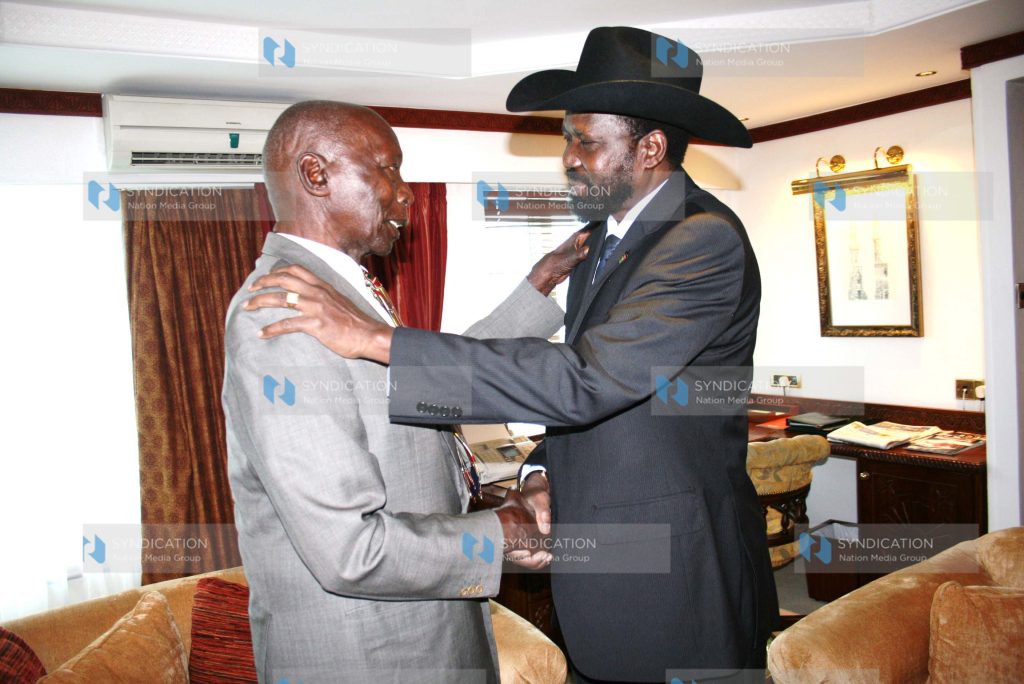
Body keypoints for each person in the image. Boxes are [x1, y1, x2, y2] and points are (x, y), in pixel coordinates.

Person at [247, 27, 777, 683]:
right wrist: (541, 470)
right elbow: (606, 401)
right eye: (567, 139)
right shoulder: (598, 243)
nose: (569, 158)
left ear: (649, 148)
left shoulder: (700, 239)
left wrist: (377, 339)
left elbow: (586, 380)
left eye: (586, 141)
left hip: (678, 582)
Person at [222, 100, 587, 683]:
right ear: (316, 174)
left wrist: (539, 284)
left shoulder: (341, 293)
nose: (406, 193)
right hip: (372, 657)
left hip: (420, 634)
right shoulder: (283, 311)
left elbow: (430, 374)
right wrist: (496, 533)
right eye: (387, 169)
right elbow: (349, 549)